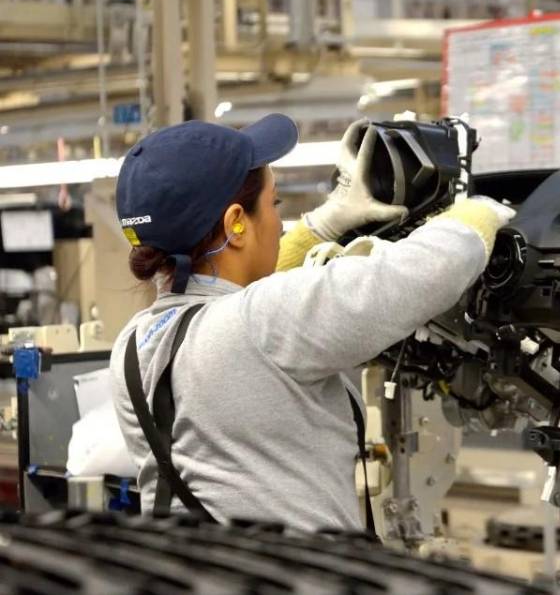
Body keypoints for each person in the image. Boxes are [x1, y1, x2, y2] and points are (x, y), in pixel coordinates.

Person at [109, 114, 512, 532]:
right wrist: (476, 215)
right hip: (296, 566)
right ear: (235, 223)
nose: (278, 222)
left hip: (196, 562)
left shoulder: (134, 343)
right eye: (274, 205)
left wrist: (322, 226)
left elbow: (235, 304)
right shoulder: (262, 323)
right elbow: (423, 273)